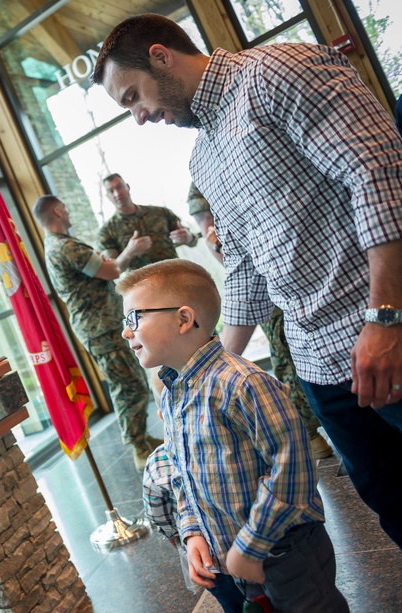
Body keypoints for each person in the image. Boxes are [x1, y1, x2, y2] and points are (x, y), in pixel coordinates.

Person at [92, 13, 402, 549]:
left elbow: (378, 173)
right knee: (389, 497)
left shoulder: (278, 71)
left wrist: (386, 318)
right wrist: (201, 370)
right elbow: (245, 268)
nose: (138, 117)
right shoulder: (205, 157)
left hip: (383, 334)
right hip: (320, 365)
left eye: (131, 97)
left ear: (162, 57)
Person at [118, 259, 373, 613]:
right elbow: (182, 474)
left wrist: (250, 546)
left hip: (285, 555)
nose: (125, 330)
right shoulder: (173, 394)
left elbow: (293, 470)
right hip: (238, 557)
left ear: (184, 319)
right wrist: (192, 532)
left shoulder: (243, 383)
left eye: (134, 317)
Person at [186, 184, 333, 460]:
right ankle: (309, 433)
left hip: (299, 273)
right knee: (286, 355)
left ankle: (316, 430)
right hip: (264, 285)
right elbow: (214, 240)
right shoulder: (203, 182)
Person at [33, 195, 159, 472]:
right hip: (100, 329)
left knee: (132, 381)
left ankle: (142, 437)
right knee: (129, 386)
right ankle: (138, 447)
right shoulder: (66, 246)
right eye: (65, 208)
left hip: (103, 326)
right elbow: (111, 269)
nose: (68, 212)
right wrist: (131, 250)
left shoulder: (60, 245)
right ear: (57, 210)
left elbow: (98, 268)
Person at [142, 443, 243, 613]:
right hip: (248, 542)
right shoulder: (219, 443)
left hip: (209, 561)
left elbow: (158, 514)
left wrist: (177, 540)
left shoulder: (156, 461)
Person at [99, 173, 197, 273]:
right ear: (107, 196)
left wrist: (188, 237)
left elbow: (193, 241)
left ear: (127, 187)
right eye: (111, 191)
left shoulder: (161, 213)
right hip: (142, 285)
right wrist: (129, 251)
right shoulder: (107, 231)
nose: (117, 193)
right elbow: (114, 269)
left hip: (175, 274)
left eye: (119, 187)